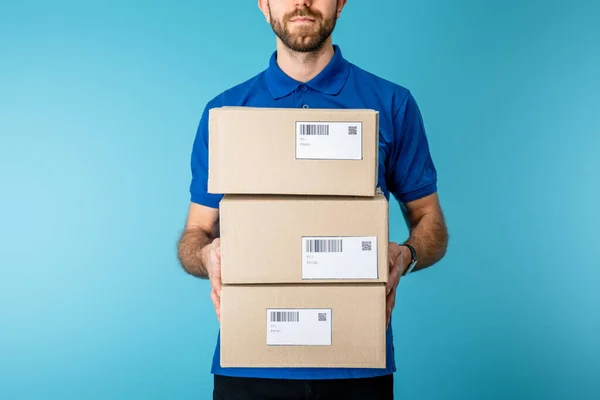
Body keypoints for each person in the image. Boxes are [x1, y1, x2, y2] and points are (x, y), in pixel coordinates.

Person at [177, 0, 449, 398]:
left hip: (357, 365)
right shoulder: (227, 114)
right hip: (251, 363)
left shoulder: (391, 103)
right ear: (263, 4)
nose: (302, 1)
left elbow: (431, 222)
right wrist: (206, 256)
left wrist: (404, 255)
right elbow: (195, 234)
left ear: (340, 3)